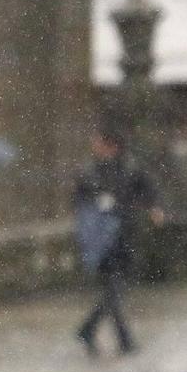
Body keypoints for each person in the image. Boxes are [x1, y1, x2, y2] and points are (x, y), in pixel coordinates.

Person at [74, 126, 163, 358]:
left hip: (124, 234)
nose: (94, 148)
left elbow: (147, 188)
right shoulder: (90, 171)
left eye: (98, 143)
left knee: (115, 290)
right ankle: (123, 340)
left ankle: (89, 330)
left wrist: (153, 207)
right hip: (103, 239)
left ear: (111, 145)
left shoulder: (129, 168)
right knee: (114, 289)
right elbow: (82, 200)